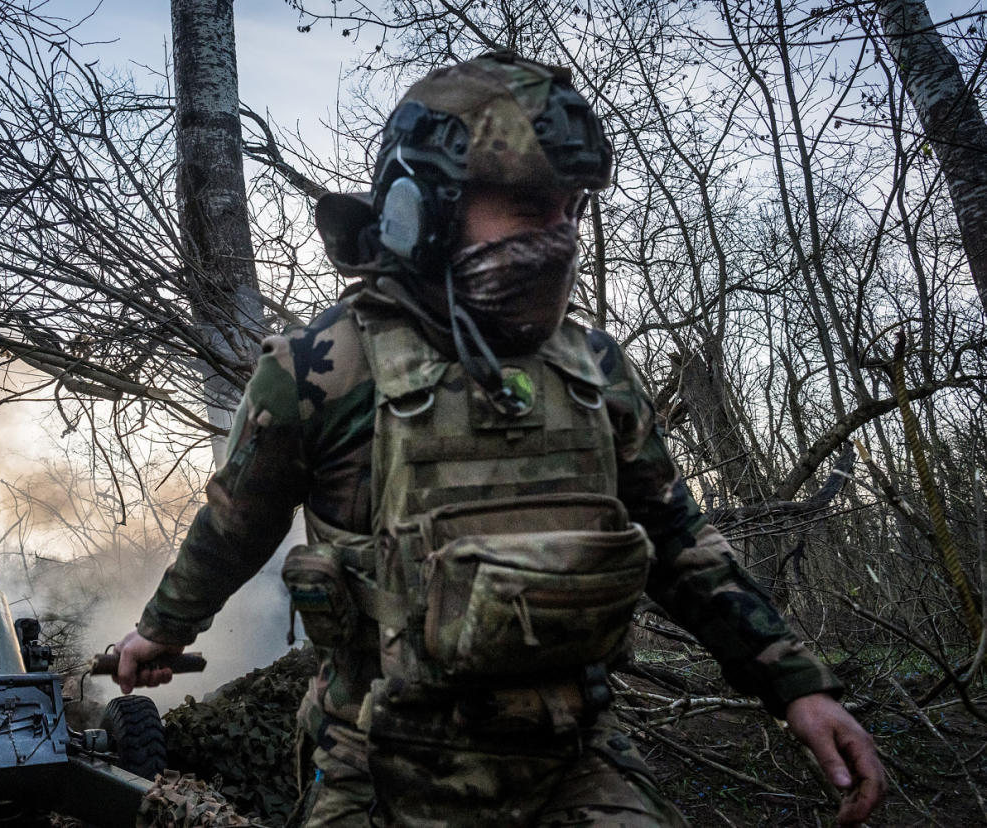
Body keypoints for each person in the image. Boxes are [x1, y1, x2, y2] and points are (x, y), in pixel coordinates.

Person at [113, 52, 885, 827]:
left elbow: (677, 539)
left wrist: (797, 685)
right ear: (424, 208)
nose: (560, 236)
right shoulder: (325, 367)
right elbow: (234, 527)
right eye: (528, 208)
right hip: (382, 762)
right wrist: (161, 631)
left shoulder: (592, 367)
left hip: (575, 759)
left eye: (570, 210)